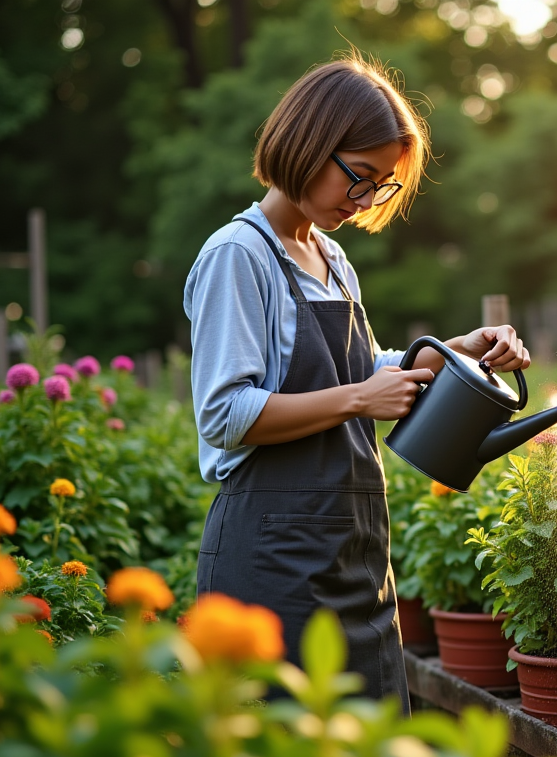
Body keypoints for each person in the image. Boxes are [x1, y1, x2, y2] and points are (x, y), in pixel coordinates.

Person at [183, 54, 530, 710]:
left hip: (355, 547)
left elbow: (365, 368)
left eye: (381, 186)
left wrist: (461, 352)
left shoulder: (332, 257)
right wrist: (358, 401)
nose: (366, 199)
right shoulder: (238, 255)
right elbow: (225, 414)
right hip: (272, 553)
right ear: (309, 143)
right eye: (360, 177)